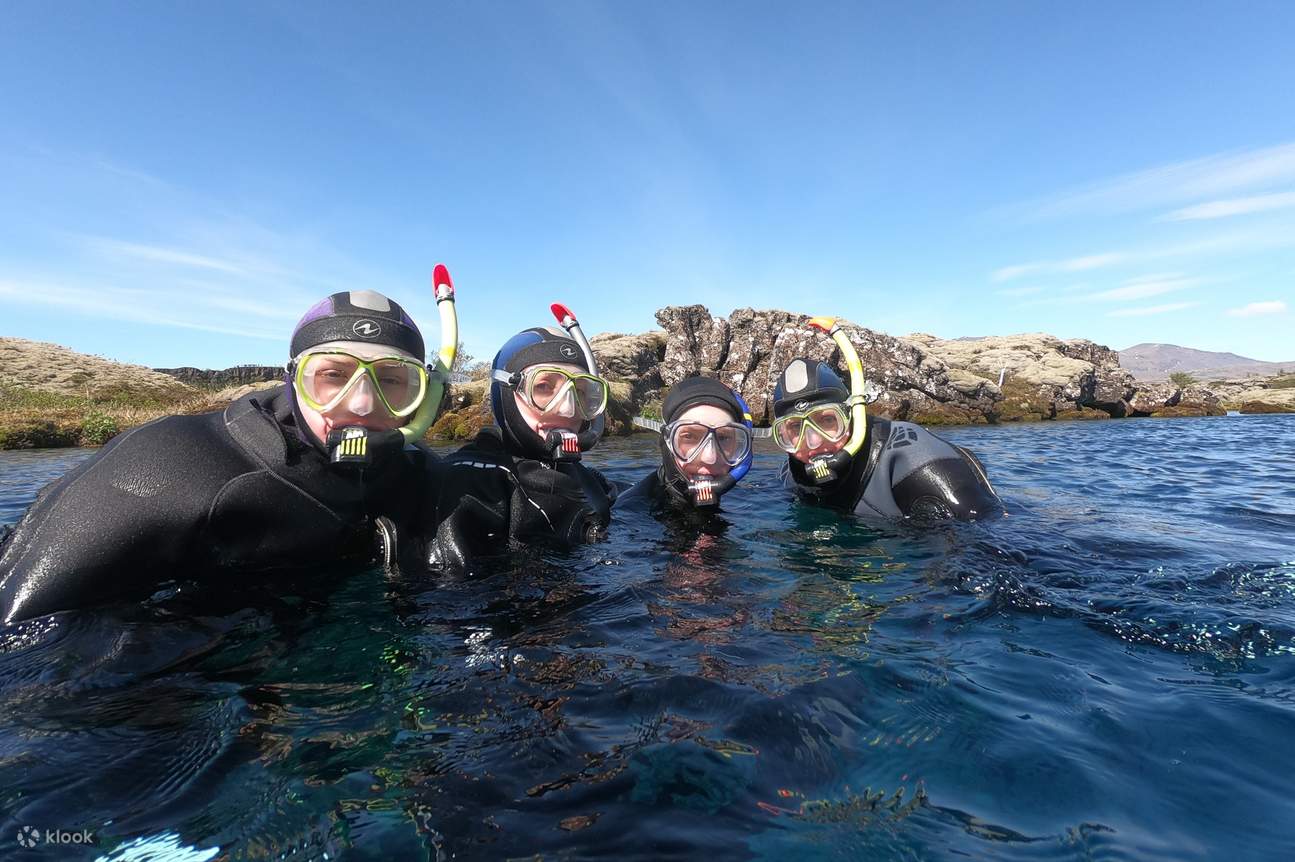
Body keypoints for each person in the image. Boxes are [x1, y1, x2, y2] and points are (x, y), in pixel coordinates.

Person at [0, 267, 459, 624]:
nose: (359, 405)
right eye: (332, 376)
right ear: (293, 379)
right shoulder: (170, 462)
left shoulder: (423, 478)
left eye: (394, 382)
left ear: (425, 396)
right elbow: (20, 633)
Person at [427, 304, 617, 570]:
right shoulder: (468, 485)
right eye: (543, 387)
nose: (569, 408)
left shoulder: (589, 479)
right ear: (505, 394)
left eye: (582, 392)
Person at [774, 317, 1002, 522]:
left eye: (826, 421)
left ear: (852, 415)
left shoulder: (917, 462)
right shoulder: (791, 473)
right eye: (795, 428)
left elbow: (984, 542)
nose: (813, 442)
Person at [617, 376, 756, 512]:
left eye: (723, 438)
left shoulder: (748, 502)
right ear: (666, 442)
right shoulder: (629, 515)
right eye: (689, 436)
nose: (710, 457)